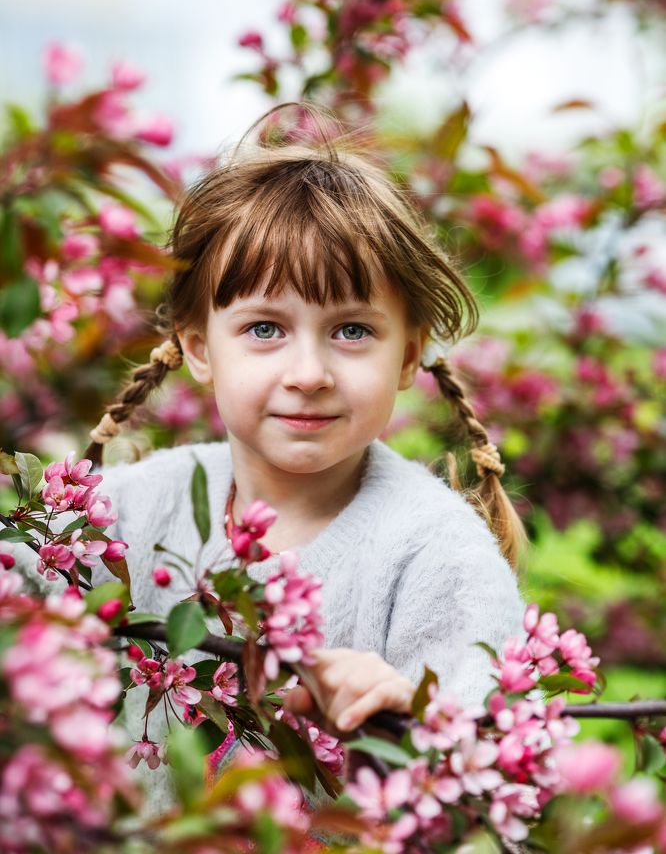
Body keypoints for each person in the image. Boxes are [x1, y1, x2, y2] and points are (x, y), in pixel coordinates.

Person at [87, 101, 526, 754]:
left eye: (352, 330)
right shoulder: (126, 512)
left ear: (407, 355)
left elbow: (488, 753)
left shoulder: (437, 553)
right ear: (200, 347)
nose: (309, 372)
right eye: (265, 329)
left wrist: (412, 713)